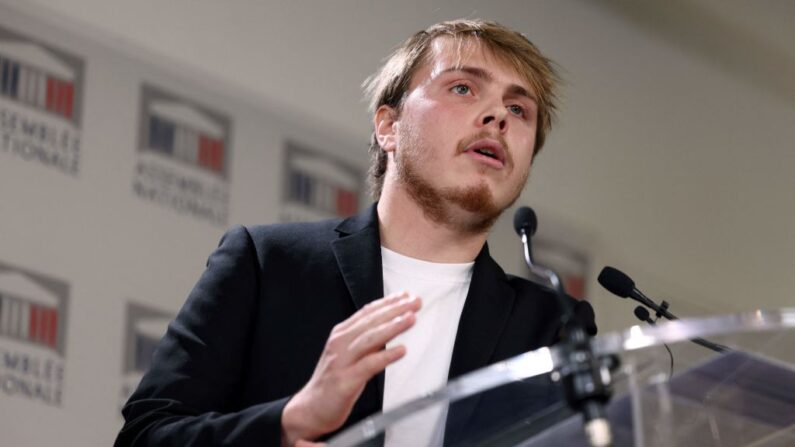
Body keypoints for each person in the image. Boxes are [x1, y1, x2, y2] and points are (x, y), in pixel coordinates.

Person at [115, 19, 596, 447]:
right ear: (389, 126)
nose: (497, 118)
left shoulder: (553, 326)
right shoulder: (267, 264)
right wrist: (289, 422)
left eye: (519, 110)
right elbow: (145, 436)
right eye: (464, 89)